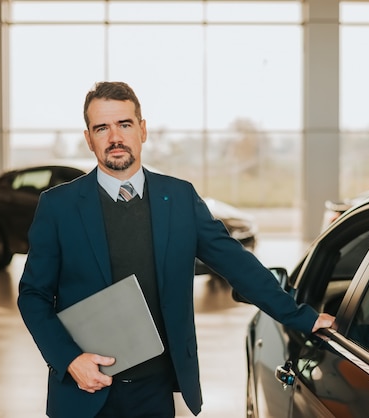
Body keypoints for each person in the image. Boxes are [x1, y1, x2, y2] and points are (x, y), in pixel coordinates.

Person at [17, 81, 335, 418]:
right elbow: (33, 295)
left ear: (142, 130)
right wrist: (69, 360)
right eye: (102, 128)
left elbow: (237, 265)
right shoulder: (58, 207)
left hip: (154, 392)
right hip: (84, 391)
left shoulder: (180, 199)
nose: (114, 137)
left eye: (124, 124)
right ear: (88, 138)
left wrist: (303, 317)